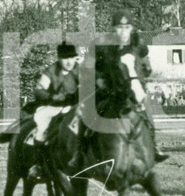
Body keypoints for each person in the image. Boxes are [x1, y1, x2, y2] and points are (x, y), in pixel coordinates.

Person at [96, 10, 170, 163]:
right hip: (111, 90)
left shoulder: (138, 44)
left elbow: (147, 67)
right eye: (119, 27)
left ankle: (153, 146)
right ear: (113, 29)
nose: (123, 31)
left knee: (147, 113)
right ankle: (91, 149)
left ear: (132, 29)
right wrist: (99, 79)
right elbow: (95, 68)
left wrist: (140, 76)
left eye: (127, 27)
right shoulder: (104, 46)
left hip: (134, 89)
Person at [27, 41, 80, 180]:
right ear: (59, 58)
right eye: (65, 58)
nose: (69, 62)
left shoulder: (80, 70)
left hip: (75, 107)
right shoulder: (50, 71)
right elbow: (38, 91)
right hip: (54, 107)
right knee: (41, 125)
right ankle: (37, 165)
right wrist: (53, 96)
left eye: (71, 58)